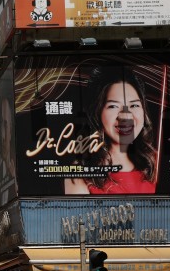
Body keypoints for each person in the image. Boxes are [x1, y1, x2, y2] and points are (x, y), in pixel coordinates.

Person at [65, 67, 158, 195]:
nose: (125, 116)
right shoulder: (80, 171)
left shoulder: (156, 161)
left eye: (134, 105)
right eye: (113, 106)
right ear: (97, 113)